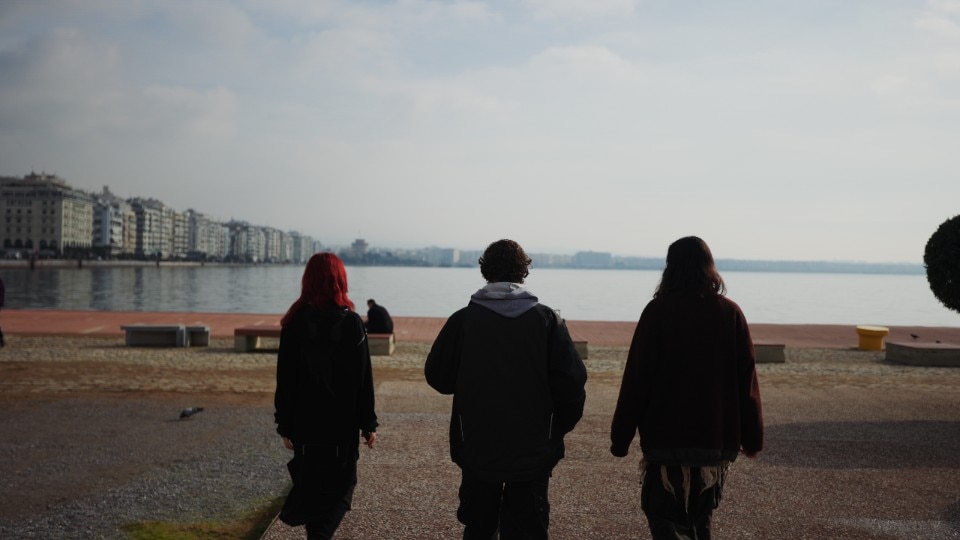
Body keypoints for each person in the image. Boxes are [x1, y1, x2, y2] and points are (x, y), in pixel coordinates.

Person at [425, 239, 587, 539]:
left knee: (479, 526)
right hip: (533, 445)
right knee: (528, 528)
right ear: (523, 271)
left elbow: (438, 377)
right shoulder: (546, 320)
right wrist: (556, 429)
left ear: (485, 270)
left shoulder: (464, 320)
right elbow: (572, 383)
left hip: (476, 442)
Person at [610, 236, 763, 540]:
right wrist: (752, 439)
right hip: (714, 444)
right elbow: (746, 383)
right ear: (710, 267)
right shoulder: (730, 313)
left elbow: (637, 380)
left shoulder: (657, 312)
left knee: (665, 521)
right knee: (699, 522)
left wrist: (621, 439)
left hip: (665, 443)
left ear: (670, 268)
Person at [274, 252, 379, 539]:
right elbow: (363, 379)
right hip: (341, 426)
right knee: (341, 491)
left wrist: (284, 423)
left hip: (305, 425)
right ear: (340, 281)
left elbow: (285, 379)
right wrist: (368, 423)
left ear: (307, 280)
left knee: (312, 492)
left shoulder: (294, 323)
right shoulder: (352, 323)